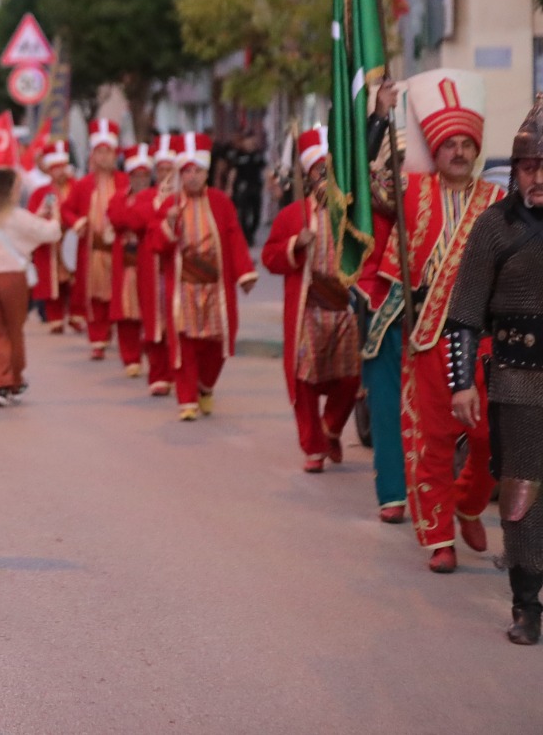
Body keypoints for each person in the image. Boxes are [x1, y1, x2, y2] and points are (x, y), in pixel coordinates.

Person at [360, 73, 503, 572]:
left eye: (467, 144)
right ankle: (439, 536)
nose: (459, 152)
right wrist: (381, 117)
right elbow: (370, 181)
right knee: (432, 442)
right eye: (449, 144)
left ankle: (469, 501)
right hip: (426, 336)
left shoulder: (497, 204)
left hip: (484, 342)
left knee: (491, 437)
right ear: (435, 150)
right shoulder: (410, 190)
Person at [443, 93, 543, 642]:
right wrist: (461, 383)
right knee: (522, 490)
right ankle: (527, 604)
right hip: (518, 378)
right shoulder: (494, 227)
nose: (537, 176)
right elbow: (463, 314)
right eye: (529, 165)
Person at [261, 128, 363, 473]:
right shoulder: (292, 216)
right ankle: (313, 445)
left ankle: (331, 427)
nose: (326, 179)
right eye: (320, 172)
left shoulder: (356, 214)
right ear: (308, 176)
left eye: (332, 171)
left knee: (352, 378)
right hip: (307, 310)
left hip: (343, 310)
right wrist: (294, 245)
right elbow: (269, 257)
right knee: (303, 380)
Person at [146, 132, 257, 421]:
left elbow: (234, 238)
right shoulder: (169, 205)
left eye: (197, 171)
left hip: (216, 288)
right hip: (184, 288)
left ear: (206, 173)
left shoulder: (221, 202)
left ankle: (205, 386)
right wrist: (168, 226)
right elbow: (156, 246)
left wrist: (245, 272)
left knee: (216, 344)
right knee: (185, 344)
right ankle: (187, 400)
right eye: (187, 172)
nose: (192, 177)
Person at [0, 167, 62, 406]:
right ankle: (15, 380)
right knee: (14, 332)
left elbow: (17, 231)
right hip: (12, 280)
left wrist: (37, 213)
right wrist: (54, 214)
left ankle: (0, 383)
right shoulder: (17, 215)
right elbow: (50, 233)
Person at [63, 120, 125, 361]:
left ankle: (118, 334)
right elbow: (67, 210)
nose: (103, 157)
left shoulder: (123, 182)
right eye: (98, 151)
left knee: (119, 293)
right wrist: (77, 222)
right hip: (92, 250)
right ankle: (97, 339)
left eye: (107, 152)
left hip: (119, 249)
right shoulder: (82, 185)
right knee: (95, 294)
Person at [127, 136, 181, 396]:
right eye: (161, 170)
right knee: (154, 322)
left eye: (171, 169)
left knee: (178, 322)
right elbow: (136, 220)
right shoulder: (147, 197)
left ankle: (177, 372)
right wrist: (159, 208)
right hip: (150, 270)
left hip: (178, 272)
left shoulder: (186, 198)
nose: (166, 175)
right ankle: (158, 373)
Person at [105, 143, 152, 378]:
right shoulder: (119, 197)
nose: (140, 180)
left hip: (148, 263)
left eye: (145, 175)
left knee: (150, 310)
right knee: (124, 313)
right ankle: (130, 356)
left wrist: (134, 217)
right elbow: (115, 216)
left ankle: (148, 354)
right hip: (124, 264)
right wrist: (136, 216)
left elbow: (141, 221)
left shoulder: (156, 197)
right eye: (136, 175)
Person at [28, 142, 75, 333]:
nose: (60, 172)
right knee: (53, 282)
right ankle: (55, 318)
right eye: (55, 168)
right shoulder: (41, 192)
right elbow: (31, 216)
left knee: (73, 281)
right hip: (51, 244)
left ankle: (73, 315)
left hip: (71, 239)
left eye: (62, 167)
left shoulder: (76, 187)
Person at [229, 130, 269, 245]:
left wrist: (268, 184)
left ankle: (251, 232)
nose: (250, 143)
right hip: (243, 187)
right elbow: (233, 172)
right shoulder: (238, 155)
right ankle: (247, 236)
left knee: (257, 214)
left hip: (256, 187)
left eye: (252, 141)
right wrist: (230, 187)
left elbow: (265, 170)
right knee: (244, 213)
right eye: (247, 141)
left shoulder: (258, 154)